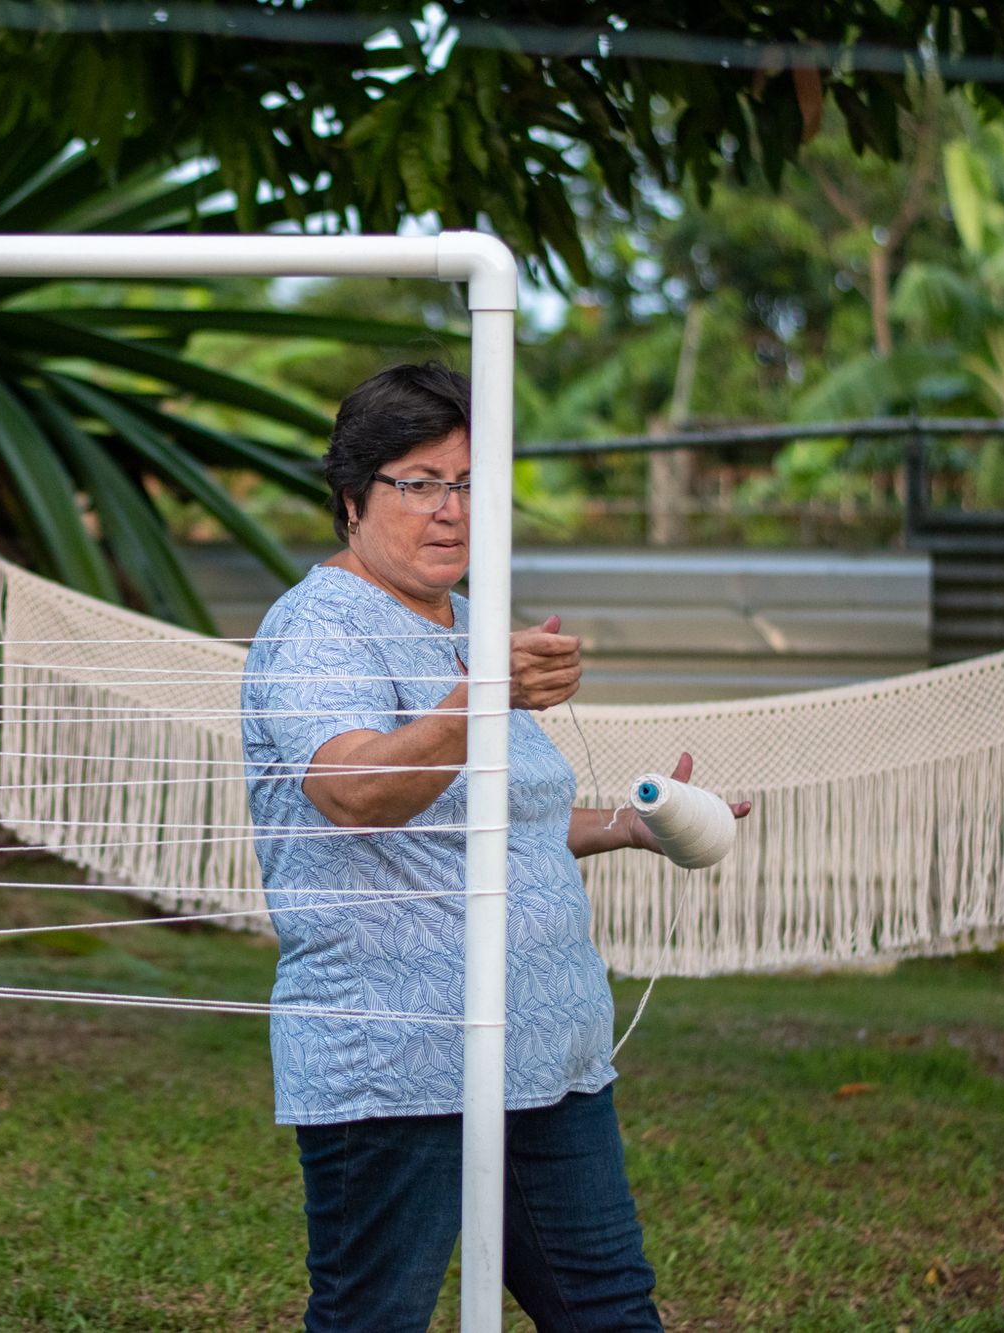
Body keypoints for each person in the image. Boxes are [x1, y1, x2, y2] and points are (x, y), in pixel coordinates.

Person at [240, 362, 750, 1333]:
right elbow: (352, 788)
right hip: (397, 1056)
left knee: (606, 1307)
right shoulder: (316, 627)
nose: (451, 511)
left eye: (471, 484)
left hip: (542, 1049)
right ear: (350, 497)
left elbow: (488, 815)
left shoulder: (471, 624)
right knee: (373, 1317)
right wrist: (483, 694)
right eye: (419, 482)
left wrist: (626, 825)